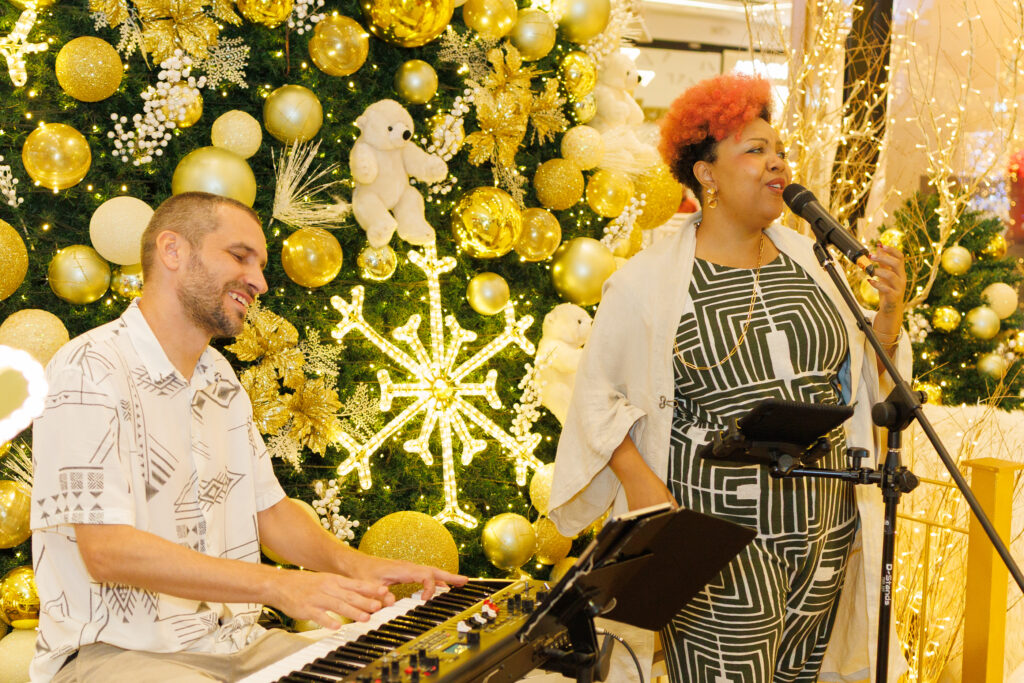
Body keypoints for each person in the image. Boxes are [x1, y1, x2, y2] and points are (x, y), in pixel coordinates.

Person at [548, 74, 911, 682]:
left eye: (779, 150)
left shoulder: (810, 263)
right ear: (706, 174)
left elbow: (861, 385)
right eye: (754, 150)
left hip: (823, 528)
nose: (777, 164)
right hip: (719, 538)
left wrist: (889, 315)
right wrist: (645, 492)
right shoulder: (648, 281)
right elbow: (596, 398)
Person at [30, 192, 466, 682]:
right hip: (113, 655)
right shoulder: (88, 367)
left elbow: (268, 511)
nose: (259, 281)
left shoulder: (219, 376)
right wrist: (276, 586)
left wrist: (355, 565)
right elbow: (107, 550)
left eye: (259, 265)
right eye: (240, 257)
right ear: (172, 251)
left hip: (234, 644)